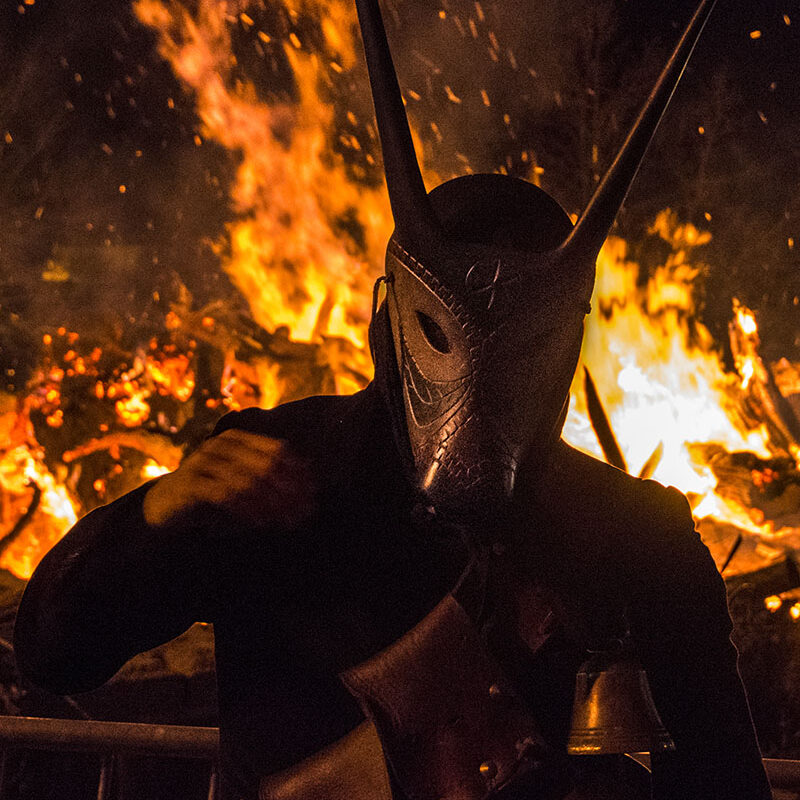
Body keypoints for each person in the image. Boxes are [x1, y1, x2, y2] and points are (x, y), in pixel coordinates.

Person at [14, 0, 772, 798]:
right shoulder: (276, 477)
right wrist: (162, 513)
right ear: (392, 315)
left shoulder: (636, 538)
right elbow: (57, 652)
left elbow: (725, 775)